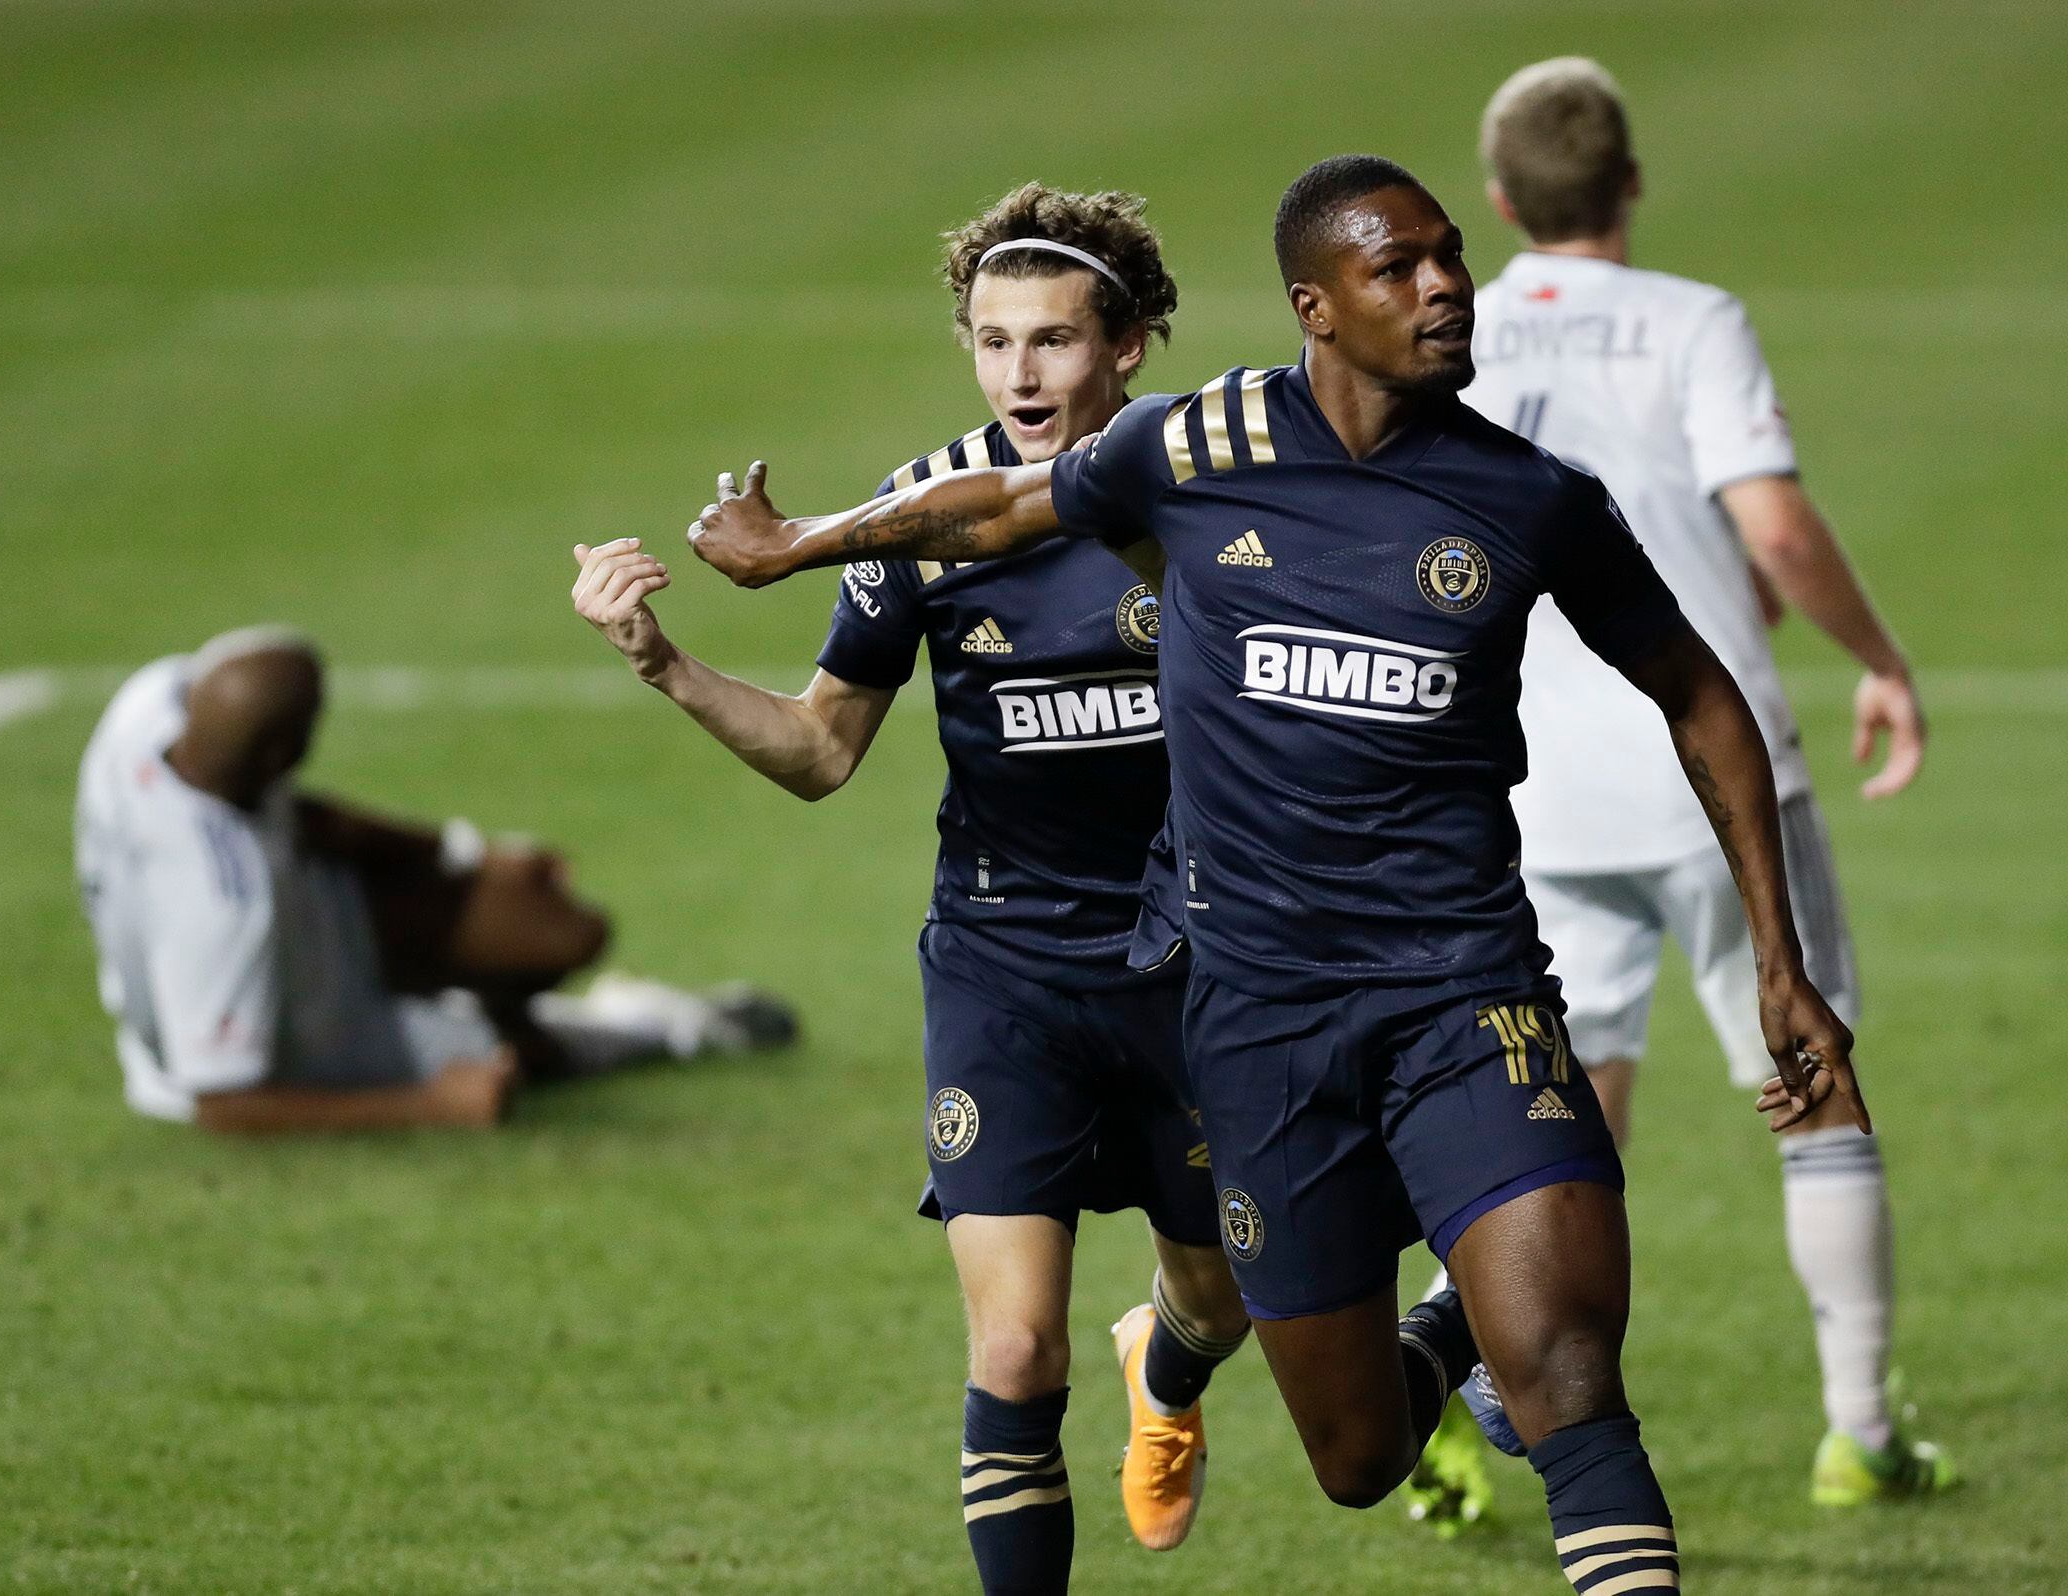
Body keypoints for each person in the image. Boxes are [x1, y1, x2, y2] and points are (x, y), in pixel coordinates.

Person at [685, 155, 1871, 1596]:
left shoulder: (1530, 496)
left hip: (1465, 993)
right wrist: (799, 547)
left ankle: (1497, 1341)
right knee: (1358, 1458)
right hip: (1256, 1026)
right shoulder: (1195, 449)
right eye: (1399, 268)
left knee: (1569, 1378)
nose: (1446, 287)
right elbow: (998, 507)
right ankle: (1437, 1338)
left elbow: (1701, 695)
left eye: (1450, 256)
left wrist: (1780, 960)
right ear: (1317, 307)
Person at [570, 186, 1250, 1592]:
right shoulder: (913, 515)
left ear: (1128, 345)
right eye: (994, 342)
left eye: (1053, 340)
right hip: (1008, 969)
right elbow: (822, 750)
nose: (1020, 374)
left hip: (1195, 967)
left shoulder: (1205, 494)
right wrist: (665, 666)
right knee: (1015, 1347)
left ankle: (1168, 1369)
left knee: (1220, 1300)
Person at [1441, 55, 1953, 1507]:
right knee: (1811, 1084)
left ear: (1499, 201)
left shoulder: (1451, 331)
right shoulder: (1691, 321)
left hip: (1528, 782)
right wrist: (1880, 658)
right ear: (1631, 182)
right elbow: (1773, 527)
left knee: (1550, 1124)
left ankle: (1456, 1397)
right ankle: (1860, 1429)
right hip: (1710, 774)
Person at [75, 625, 792, 1133]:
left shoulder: (153, 707)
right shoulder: (219, 906)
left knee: (553, 925)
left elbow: (307, 819)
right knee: (505, 1060)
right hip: (299, 1030)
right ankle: (655, 1028)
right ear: (281, 753)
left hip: (315, 912)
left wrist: (464, 854)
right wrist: (433, 1105)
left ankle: (473, 1005)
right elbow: (221, 1102)